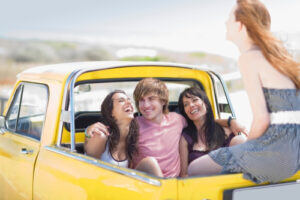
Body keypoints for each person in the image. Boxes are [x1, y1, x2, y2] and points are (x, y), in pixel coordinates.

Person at [188, 0, 300, 184]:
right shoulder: (277, 58)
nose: (225, 23)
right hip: (294, 153)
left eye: (229, 18)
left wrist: (248, 150)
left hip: (275, 153)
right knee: (237, 146)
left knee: (194, 169)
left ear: (240, 25)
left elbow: (262, 119)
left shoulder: (248, 58)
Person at [86, 78, 247, 177]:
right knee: (150, 162)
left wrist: (230, 121)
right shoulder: (134, 124)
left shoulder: (177, 120)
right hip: (146, 180)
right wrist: (89, 129)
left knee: (241, 143)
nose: (146, 105)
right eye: (141, 100)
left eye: (151, 99)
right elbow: (113, 127)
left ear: (163, 101)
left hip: (174, 183)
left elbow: (200, 119)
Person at [84, 90, 163, 177]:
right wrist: (88, 131)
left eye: (129, 100)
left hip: (124, 185)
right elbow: (88, 168)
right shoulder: (100, 135)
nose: (128, 102)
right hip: (100, 185)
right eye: (121, 100)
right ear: (110, 112)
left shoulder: (133, 137)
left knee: (150, 163)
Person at [178, 87, 247, 177]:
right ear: (185, 112)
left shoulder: (226, 130)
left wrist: (231, 121)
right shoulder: (185, 138)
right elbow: (184, 174)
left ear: (206, 104)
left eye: (195, 100)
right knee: (192, 168)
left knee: (240, 140)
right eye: (186, 104)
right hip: (202, 186)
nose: (191, 105)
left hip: (229, 182)